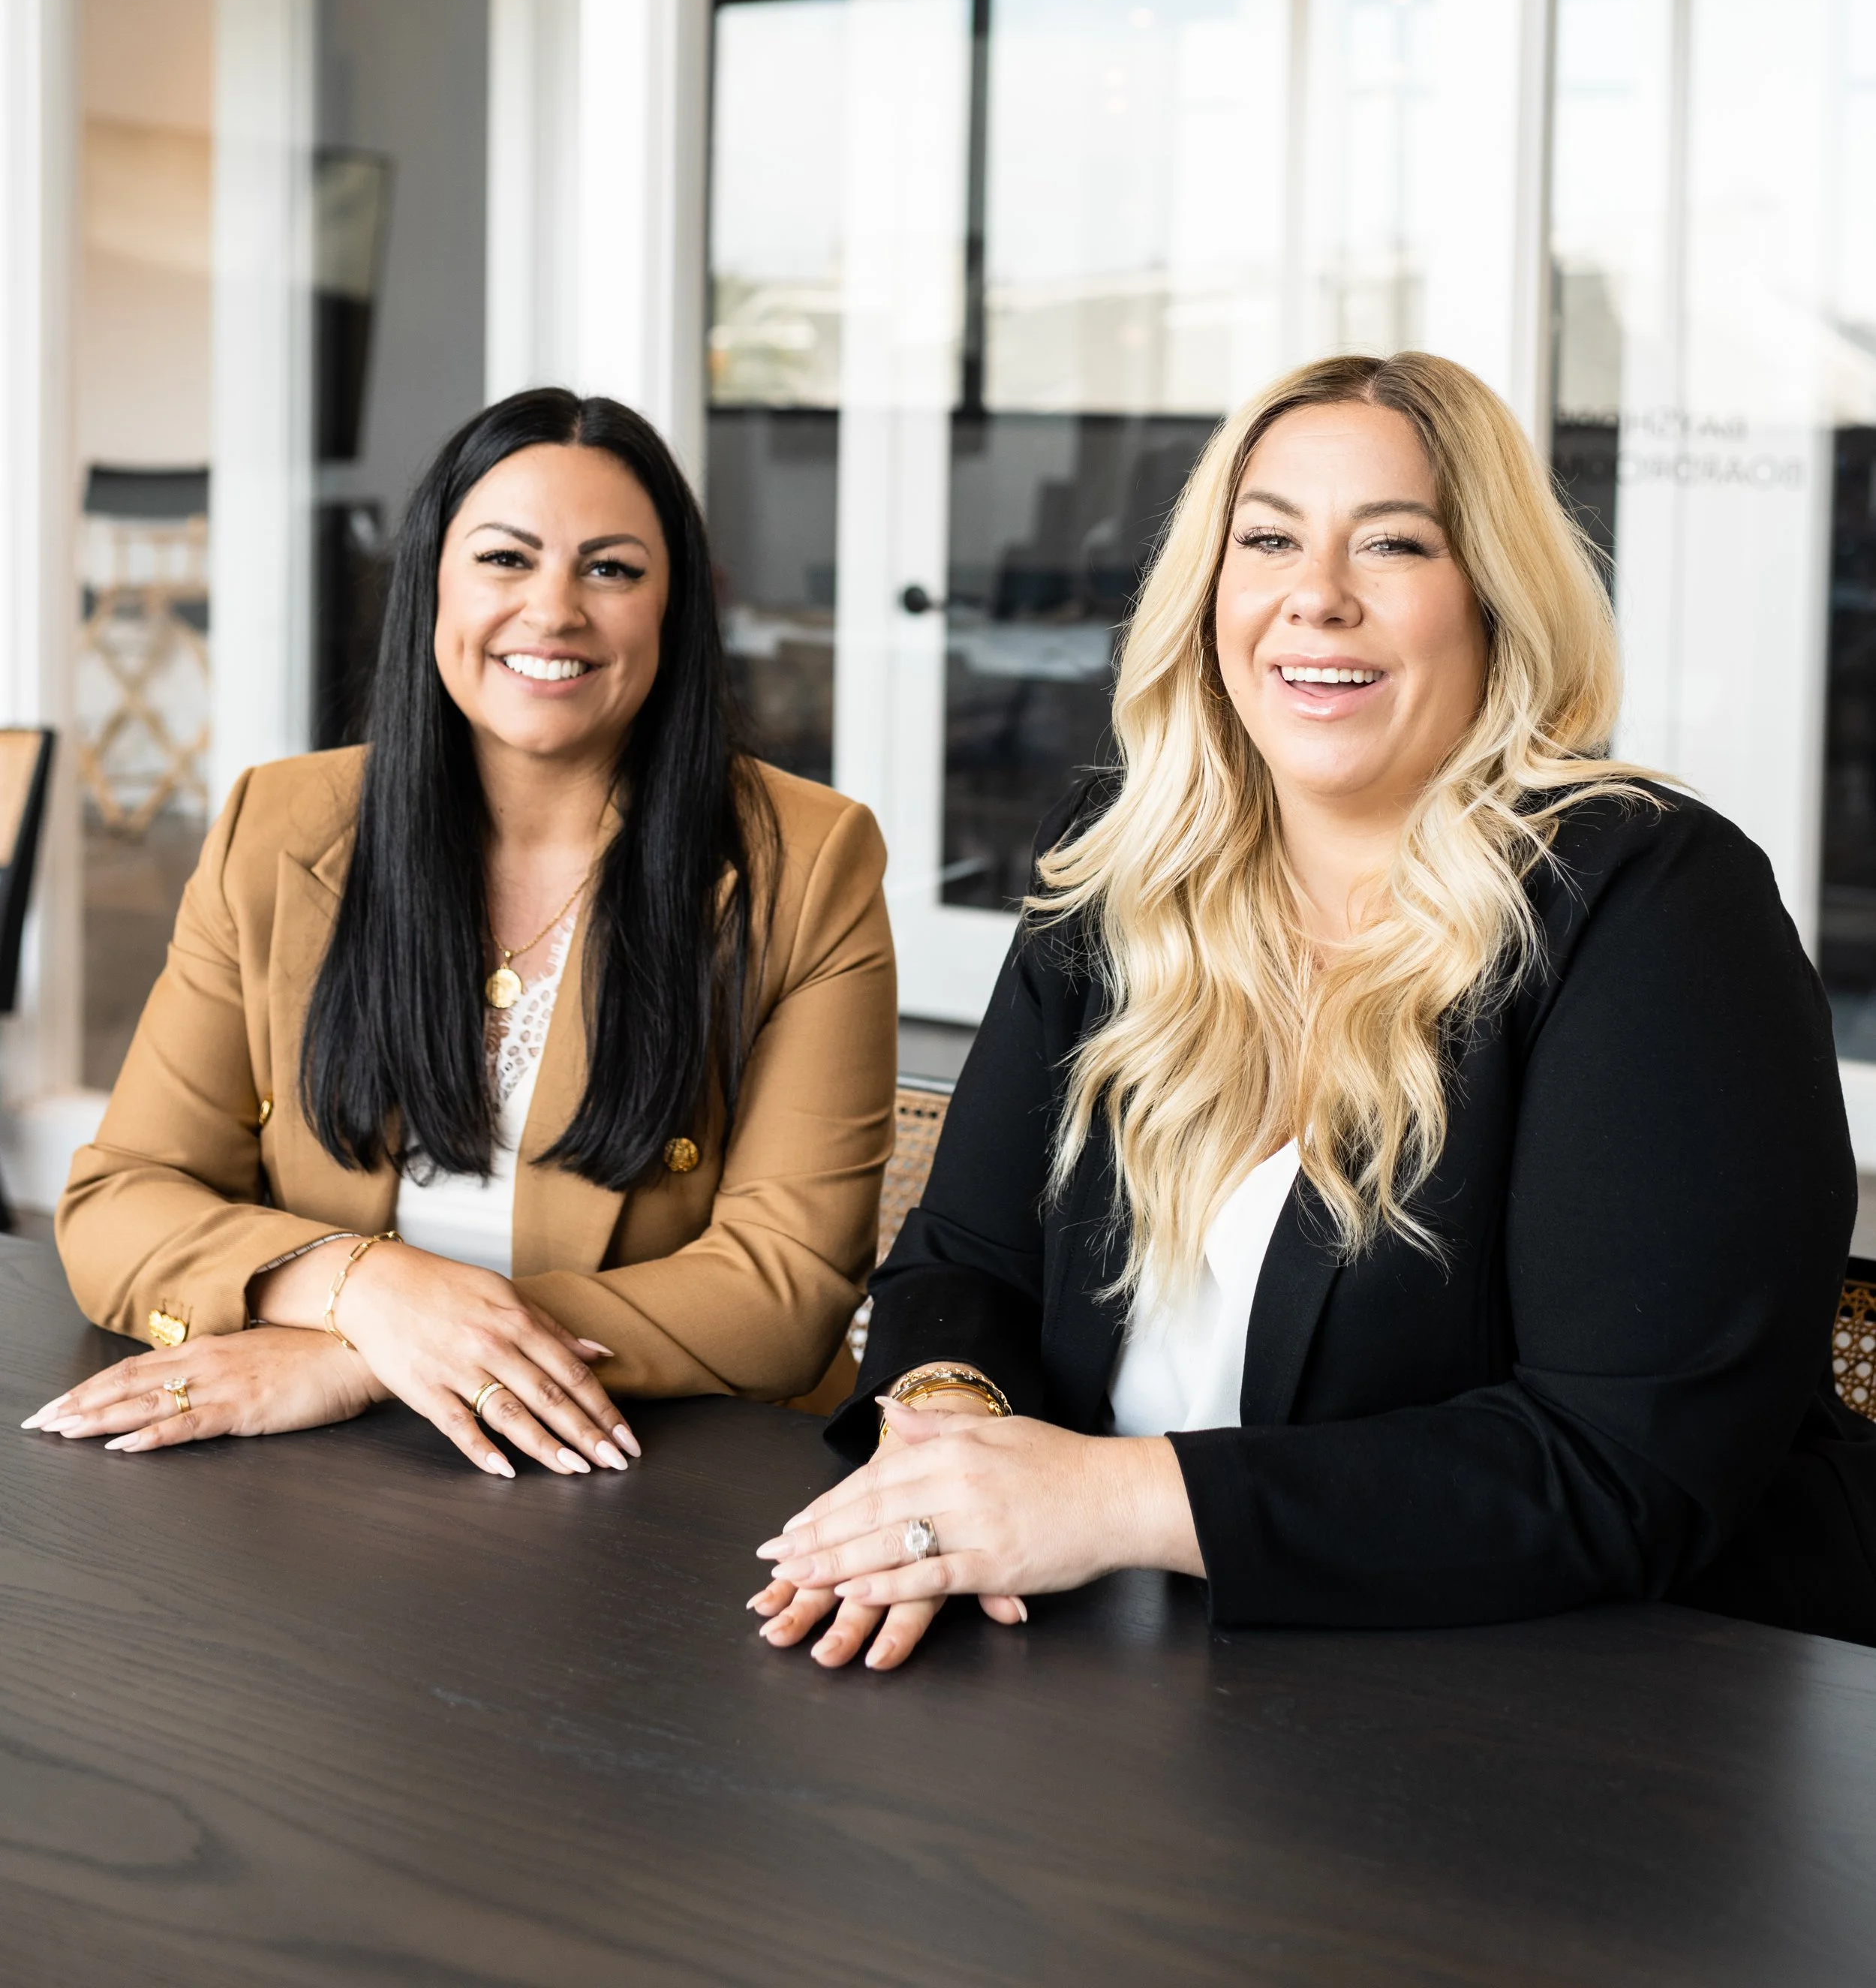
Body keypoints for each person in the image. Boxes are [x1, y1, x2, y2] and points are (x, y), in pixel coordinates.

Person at [751, 350, 1875, 1669]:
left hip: (1607, 1716)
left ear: (1496, 603)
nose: (1316, 600)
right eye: (1269, 538)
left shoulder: (1651, 903)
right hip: (1150, 1683)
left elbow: (1619, 1463)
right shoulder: (1127, 867)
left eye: (1392, 547)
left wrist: (1104, 1502)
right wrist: (948, 1429)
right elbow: (965, 1258)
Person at [38, 390, 894, 1479]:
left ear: (674, 609)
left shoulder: (807, 863)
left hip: (653, 1479)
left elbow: (783, 1294)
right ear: (431, 583)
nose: (553, 610)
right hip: (318, 1485)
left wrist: (369, 1356)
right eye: (504, 558)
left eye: (612, 569)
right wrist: (369, 1290)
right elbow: (122, 1201)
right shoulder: (277, 827)